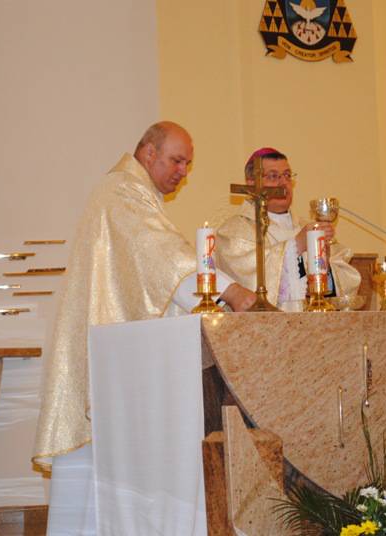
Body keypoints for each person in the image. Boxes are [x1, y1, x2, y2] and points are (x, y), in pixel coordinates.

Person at [33, 121, 256, 534]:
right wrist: (229, 290)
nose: (183, 172)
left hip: (121, 359)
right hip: (113, 365)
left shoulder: (135, 193)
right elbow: (162, 256)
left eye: (188, 164)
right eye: (177, 161)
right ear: (149, 152)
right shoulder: (121, 191)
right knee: (104, 474)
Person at [215, 147, 361, 312]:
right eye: (273, 176)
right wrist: (297, 245)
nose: (283, 183)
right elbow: (245, 285)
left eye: (287, 175)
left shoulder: (309, 228)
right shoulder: (234, 231)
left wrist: (325, 267)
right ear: (251, 184)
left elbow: (348, 287)